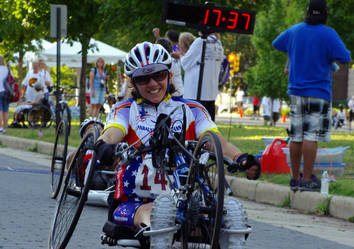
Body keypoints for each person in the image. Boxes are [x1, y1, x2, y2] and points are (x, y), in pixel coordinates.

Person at [95, 42, 260, 248]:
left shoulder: (192, 108)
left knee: (231, 215)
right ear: (132, 82)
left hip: (187, 199)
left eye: (159, 75)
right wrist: (104, 144)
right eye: (143, 78)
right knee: (157, 212)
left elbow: (214, 141)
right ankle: (159, 231)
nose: (153, 83)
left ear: (169, 75)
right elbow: (113, 131)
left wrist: (241, 158)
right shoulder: (125, 109)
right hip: (136, 202)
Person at [272, 0, 351, 191]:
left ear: (307, 12)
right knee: (311, 136)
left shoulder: (294, 30)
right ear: (325, 14)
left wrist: (295, 52)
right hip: (319, 92)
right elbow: (345, 57)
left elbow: (277, 43)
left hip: (296, 92)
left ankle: (295, 179)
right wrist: (326, 55)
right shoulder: (328, 34)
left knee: (296, 136)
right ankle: (307, 179)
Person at [181, 32, 224, 121]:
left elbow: (185, 63)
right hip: (211, 93)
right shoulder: (219, 44)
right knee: (208, 127)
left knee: (192, 127)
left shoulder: (200, 42)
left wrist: (181, 56)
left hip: (194, 94)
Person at [0, 55, 14, 134]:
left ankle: (0, 127)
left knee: (0, 110)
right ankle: (4, 127)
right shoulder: (8, 69)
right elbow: (12, 80)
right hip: (7, 92)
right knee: (5, 110)